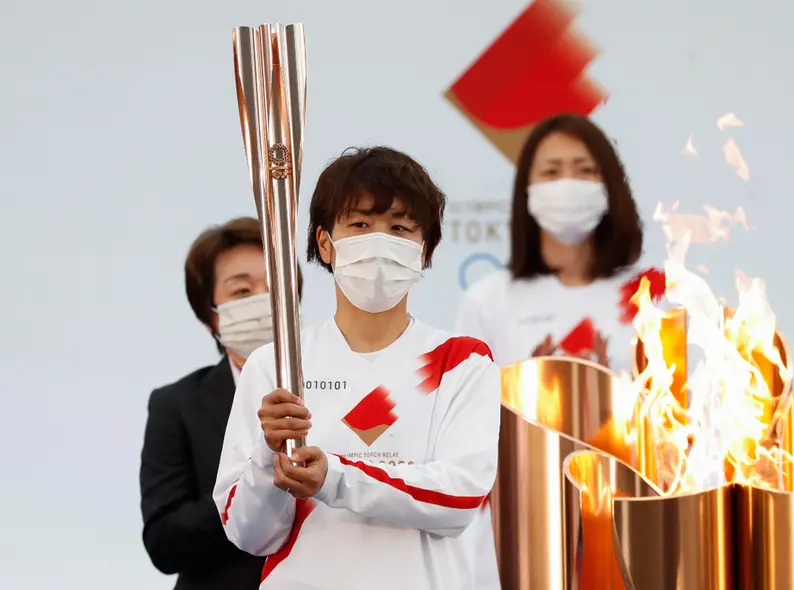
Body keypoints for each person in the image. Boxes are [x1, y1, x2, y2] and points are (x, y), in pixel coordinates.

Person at [212, 146, 502, 589]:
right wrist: (267, 456)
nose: (381, 241)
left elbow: (458, 498)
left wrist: (335, 477)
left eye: (400, 228)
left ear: (423, 252)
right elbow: (249, 534)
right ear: (326, 243)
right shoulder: (275, 366)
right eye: (361, 224)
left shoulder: (460, 361)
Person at [139, 216, 301, 590]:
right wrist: (251, 493)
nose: (264, 301)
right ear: (209, 314)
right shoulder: (177, 404)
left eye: (276, 286)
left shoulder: (337, 386)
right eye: (242, 292)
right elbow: (164, 542)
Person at [456, 113, 665, 375]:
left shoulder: (654, 293)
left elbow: (679, 404)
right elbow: (473, 409)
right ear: (527, 189)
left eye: (585, 170)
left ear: (609, 185)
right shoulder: (487, 301)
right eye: (551, 171)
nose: (567, 183)